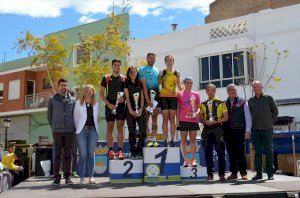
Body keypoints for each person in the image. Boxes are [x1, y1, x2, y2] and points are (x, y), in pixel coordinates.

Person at [47, 78, 76, 185]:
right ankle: (56, 178)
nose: (64, 87)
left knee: (68, 154)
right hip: (57, 131)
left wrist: (73, 127)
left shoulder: (73, 100)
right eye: (62, 85)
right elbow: (49, 116)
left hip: (69, 131)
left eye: (65, 85)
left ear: (67, 87)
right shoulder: (52, 99)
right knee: (57, 154)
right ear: (58, 87)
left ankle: (68, 177)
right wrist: (54, 126)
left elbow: (75, 115)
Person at [248, 81, 278, 181]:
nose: (256, 88)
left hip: (267, 129)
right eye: (254, 87)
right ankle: (259, 174)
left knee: (269, 151)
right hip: (255, 130)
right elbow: (248, 116)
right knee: (257, 153)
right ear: (252, 88)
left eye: (258, 86)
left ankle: (270, 174)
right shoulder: (250, 101)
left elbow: (275, 112)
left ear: (261, 87)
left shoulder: (268, 98)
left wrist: (270, 122)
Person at [200, 84, 228, 181]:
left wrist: (215, 121)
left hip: (218, 130)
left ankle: (221, 174)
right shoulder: (202, 104)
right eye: (208, 90)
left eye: (212, 90)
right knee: (208, 153)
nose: (210, 92)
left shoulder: (221, 103)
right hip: (207, 130)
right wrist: (205, 121)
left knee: (220, 153)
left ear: (214, 91)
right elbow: (200, 118)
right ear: (206, 91)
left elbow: (226, 118)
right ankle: (210, 174)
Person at [223, 84, 252, 180]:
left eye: (234, 89)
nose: (233, 91)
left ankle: (243, 172)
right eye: (231, 90)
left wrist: (247, 131)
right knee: (231, 153)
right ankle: (234, 173)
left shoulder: (243, 101)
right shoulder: (223, 103)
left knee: (240, 152)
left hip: (239, 131)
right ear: (227, 91)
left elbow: (248, 117)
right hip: (227, 132)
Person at [100, 59, 126, 160]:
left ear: (120, 66)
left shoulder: (124, 78)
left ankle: (120, 150)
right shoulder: (106, 78)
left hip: (121, 107)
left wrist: (123, 99)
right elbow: (101, 95)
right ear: (112, 66)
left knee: (120, 128)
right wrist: (109, 104)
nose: (117, 67)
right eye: (115, 65)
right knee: (109, 128)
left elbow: (126, 93)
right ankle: (110, 150)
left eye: (119, 65)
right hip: (110, 106)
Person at [73, 85, 99, 185]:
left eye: (91, 90)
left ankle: (91, 177)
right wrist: (78, 129)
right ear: (84, 92)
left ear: (93, 92)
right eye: (87, 91)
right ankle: (82, 178)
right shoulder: (78, 104)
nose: (89, 92)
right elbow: (75, 118)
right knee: (83, 155)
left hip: (93, 131)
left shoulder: (96, 104)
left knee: (91, 154)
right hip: (81, 131)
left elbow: (96, 118)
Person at [159, 55, 182, 147]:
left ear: (173, 61)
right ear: (165, 62)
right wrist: (159, 77)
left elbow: (179, 86)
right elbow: (159, 83)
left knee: (172, 119)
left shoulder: (177, 73)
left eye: (171, 60)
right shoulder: (162, 72)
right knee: (165, 119)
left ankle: (172, 141)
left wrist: (186, 93)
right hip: (163, 97)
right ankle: (165, 140)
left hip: (173, 97)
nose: (169, 62)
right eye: (167, 60)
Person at [177, 77, 200, 167]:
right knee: (183, 140)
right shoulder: (179, 94)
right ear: (184, 83)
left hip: (193, 120)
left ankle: (193, 160)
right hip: (183, 119)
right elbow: (178, 107)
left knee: (192, 140)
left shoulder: (196, 94)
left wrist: (196, 113)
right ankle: (186, 160)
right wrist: (177, 120)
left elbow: (198, 107)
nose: (189, 84)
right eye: (187, 82)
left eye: (190, 83)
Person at [124, 66, 147, 158]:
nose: (133, 74)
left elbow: (142, 97)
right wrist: (130, 110)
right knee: (131, 131)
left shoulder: (140, 82)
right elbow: (127, 98)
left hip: (140, 109)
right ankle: (133, 151)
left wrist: (141, 109)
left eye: (135, 72)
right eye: (131, 72)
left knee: (143, 130)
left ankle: (140, 149)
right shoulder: (126, 83)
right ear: (128, 74)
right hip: (130, 109)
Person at [139, 53, 160, 147]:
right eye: (150, 58)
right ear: (147, 58)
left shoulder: (156, 70)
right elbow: (143, 85)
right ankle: (148, 140)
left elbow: (159, 84)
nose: (152, 59)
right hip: (146, 97)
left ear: (155, 60)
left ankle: (154, 140)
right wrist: (147, 99)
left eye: (153, 58)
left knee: (155, 119)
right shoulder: (142, 69)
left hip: (156, 98)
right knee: (146, 119)